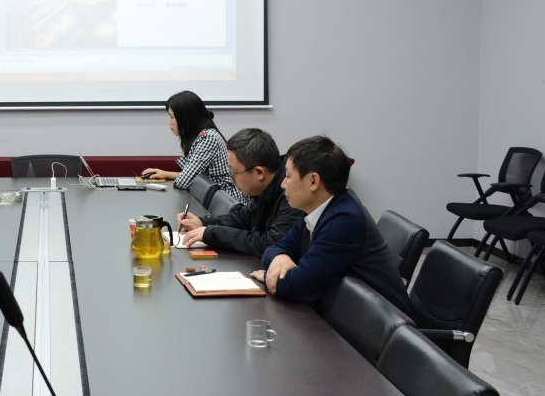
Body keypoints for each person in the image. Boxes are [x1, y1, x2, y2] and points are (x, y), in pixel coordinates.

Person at [254, 136, 412, 314]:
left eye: (288, 177)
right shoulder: (315, 208)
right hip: (349, 318)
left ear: (313, 181)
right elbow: (274, 247)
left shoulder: (345, 220)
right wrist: (280, 257)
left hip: (380, 329)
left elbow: (299, 287)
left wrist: (269, 276)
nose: (282, 184)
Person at [176, 128, 303, 257]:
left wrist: (211, 233)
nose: (231, 179)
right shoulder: (265, 185)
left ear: (259, 173)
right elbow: (243, 219)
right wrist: (203, 223)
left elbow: (270, 244)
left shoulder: (291, 193)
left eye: (234, 173)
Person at [141, 90, 245, 203]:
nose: (169, 122)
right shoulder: (201, 136)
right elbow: (198, 177)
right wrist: (167, 174)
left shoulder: (208, 138)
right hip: (213, 198)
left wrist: (174, 179)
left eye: (172, 117)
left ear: (185, 118)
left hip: (225, 202)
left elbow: (183, 182)